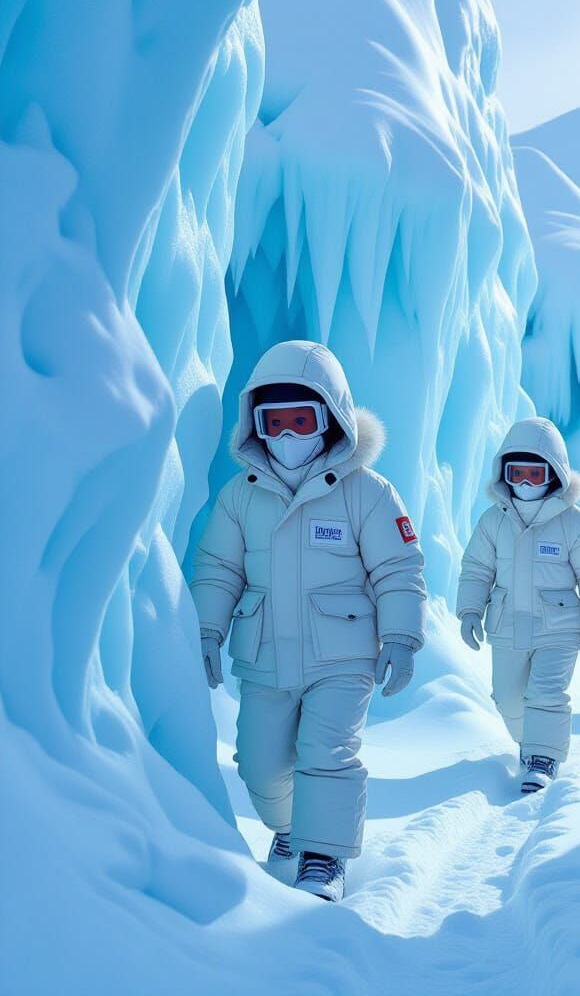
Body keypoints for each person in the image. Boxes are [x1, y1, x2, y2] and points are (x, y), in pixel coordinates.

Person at [190, 340, 426, 903]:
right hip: (265, 652)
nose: (291, 436)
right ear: (257, 426)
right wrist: (206, 629)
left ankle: (324, 857)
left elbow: (398, 565)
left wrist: (401, 634)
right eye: (277, 422)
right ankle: (291, 829)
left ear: (332, 420)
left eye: (304, 419)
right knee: (260, 764)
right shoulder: (239, 497)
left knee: (328, 752)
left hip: (342, 655)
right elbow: (219, 569)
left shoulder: (367, 492)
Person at [456, 418, 580, 794]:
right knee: (507, 697)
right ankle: (531, 743)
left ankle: (544, 757)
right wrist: (470, 611)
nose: (525, 482)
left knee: (547, 692)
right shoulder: (493, 520)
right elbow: (477, 568)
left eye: (535, 472)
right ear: (503, 474)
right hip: (507, 623)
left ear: (555, 473)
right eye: (517, 473)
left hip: (559, 625)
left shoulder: (575, 523)